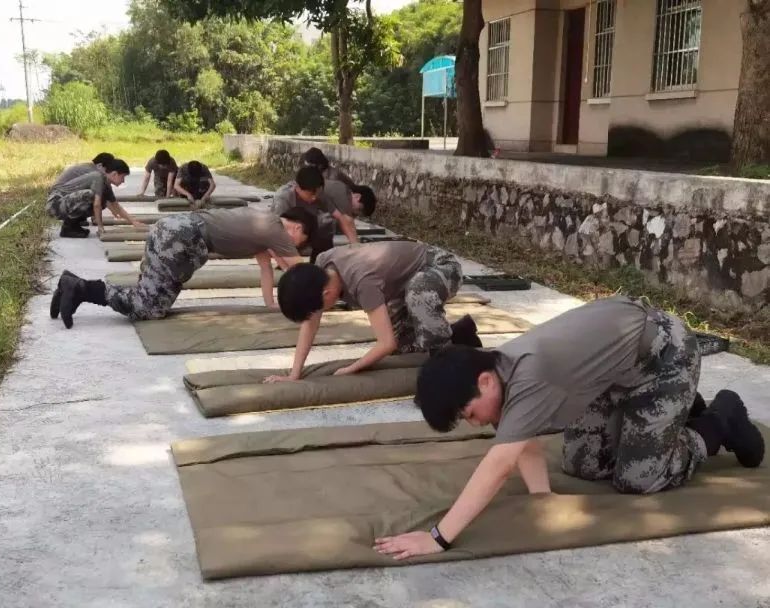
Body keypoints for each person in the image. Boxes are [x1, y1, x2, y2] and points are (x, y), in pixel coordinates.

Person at [373, 295, 765, 560]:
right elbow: (518, 435)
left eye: (469, 414)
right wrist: (541, 495)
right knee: (582, 464)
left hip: (665, 357)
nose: (473, 422)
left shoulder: (531, 376)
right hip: (616, 374)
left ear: (484, 383)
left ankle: (718, 420)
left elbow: (500, 462)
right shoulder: (497, 369)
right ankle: (674, 415)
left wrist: (439, 538)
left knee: (639, 478)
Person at [50, 207, 317, 327]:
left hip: (178, 232)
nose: (292, 246)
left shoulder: (264, 223)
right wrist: (319, 301)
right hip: (181, 238)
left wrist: (270, 305)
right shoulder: (276, 230)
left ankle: (74, 284)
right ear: (296, 227)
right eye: (299, 241)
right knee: (149, 308)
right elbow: (301, 274)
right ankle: (81, 288)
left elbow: (267, 269)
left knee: (152, 299)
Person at [265, 241, 482, 383]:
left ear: (327, 293)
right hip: (403, 284)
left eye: (319, 308)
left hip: (441, 266)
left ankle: (446, 364)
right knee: (405, 346)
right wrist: (294, 374)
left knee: (418, 295)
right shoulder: (322, 264)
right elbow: (309, 324)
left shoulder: (362, 283)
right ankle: (459, 333)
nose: (319, 313)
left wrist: (353, 368)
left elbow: (385, 343)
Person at [270, 166, 376, 262]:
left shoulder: (318, 193)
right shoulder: (283, 198)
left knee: (327, 224)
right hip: (285, 240)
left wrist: (357, 249)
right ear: (298, 188)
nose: (314, 197)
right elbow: (275, 232)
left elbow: (342, 217)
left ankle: (319, 264)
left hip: (304, 237)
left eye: (317, 193)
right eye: (311, 194)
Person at [46, 159, 145, 238]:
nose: (123, 181)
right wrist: (100, 227)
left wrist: (134, 222)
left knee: (102, 201)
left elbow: (116, 206)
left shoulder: (106, 184)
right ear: (114, 174)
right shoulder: (98, 178)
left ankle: (73, 226)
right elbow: (96, 205)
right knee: (90, 196)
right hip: (54, 205)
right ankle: (68, 227)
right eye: (122, 177)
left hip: (63, 204)